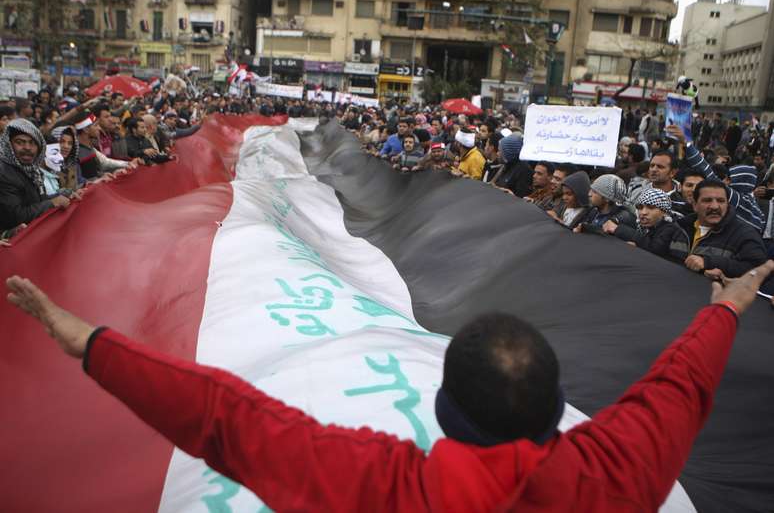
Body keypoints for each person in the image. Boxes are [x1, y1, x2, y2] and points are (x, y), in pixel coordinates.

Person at [7, 261, 774, 512]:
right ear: (557, 412)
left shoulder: (384, 487)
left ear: (443, 410)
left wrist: (92, 343)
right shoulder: (621, 471)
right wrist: (726, 310)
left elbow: (228, 419)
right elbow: (678, 389)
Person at [668, 125, 765, 233]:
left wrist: (686, 143)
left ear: (738, 182)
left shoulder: (737, 200)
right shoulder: (754, 207)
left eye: (730, 179)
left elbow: (707, 172)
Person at [679, 180, 769, 278]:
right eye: (707, 200)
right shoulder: (679, 227)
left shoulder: (744, 234)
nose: (714, 206)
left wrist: (709, 262)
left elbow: (759, 270)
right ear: (695, 205)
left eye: (721, 201)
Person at [0, 119, 70, 231]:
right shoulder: (4, 173)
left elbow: (37, 201)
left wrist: (68, 195)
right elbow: (16, 217)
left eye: (32, 143)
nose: (27, 147)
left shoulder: (32, 170)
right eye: (20, 142)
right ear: (9, 145)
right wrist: (52, 203)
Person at [609, 188, 690, 263]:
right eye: (640, 207)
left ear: (664, 212)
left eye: (651, 207)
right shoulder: (648, 228)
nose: (643, 212)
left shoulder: (675, 231)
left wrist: (620, 230)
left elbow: (658, 251)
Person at [627, 150, 687, 214]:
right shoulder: (637, 191)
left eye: (660, 167)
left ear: (672, 172)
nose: (654, 170)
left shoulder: (683, 196)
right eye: (652, 166)